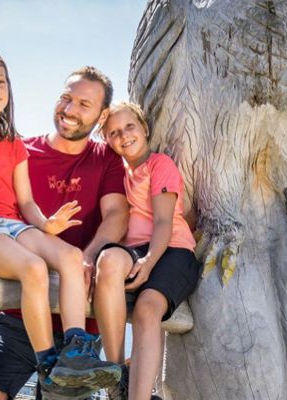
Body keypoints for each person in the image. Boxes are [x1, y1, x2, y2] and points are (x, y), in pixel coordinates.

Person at [0, 65, 131, 400]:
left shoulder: (106, 160)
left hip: (80, 331)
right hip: (16, 317)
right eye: (66, 98)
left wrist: (89, 256)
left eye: (84, 105)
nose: (70, 110)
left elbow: (117, 215)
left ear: (102, 116)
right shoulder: (20, 152)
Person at [93, 102, 200, 400]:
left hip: (173, 249)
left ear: (145, 128)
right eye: (113, 132)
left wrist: (150, 262)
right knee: (108, 260)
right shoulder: (116, 173)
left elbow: (164, 221)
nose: (124, 135)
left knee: (146, 308)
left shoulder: (159, 164)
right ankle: (115, 376)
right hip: (133, 250)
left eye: (130, 126)